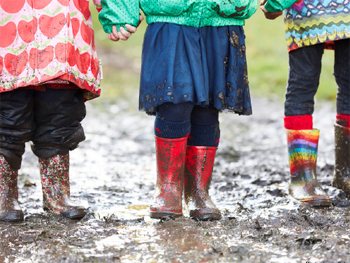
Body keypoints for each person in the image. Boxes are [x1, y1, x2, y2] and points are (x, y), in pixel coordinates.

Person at [98, 0, 257, 220]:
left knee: (208, 107)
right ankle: (168, 188)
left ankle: (198, 192)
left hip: (222, 18)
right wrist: (121, 10)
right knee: (174, 103)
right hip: (170, 18)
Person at [0, 0, 102, 222]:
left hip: (61, 26)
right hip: (8, 27)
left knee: (60, 112)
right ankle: (3, 195)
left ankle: (56, 194)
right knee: (7, 113)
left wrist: (118, 12)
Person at [261, 0, 350, 206]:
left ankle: (345, 174)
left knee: (337, 82)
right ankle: (302, 178)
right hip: (307, 12)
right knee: (304, 82)